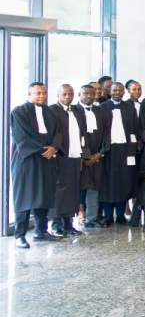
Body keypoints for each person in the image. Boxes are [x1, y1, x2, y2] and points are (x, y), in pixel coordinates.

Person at [9, 83, 61, 247]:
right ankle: (19, 235)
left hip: (47, 159)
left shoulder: (50, 112)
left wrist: (54, 148)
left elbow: (58, 133)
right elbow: (22, 136)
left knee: (44, 195)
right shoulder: (19, 111)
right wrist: (43, 149)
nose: (42, 96)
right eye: (38, 93)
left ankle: (41, 231)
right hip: (27, 160)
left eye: (44, 93)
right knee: (24, 196)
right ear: (29, 93)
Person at [99, 81, 141, 226]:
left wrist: (133, 149)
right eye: (115, 90)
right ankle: (109, 215)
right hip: (108, 150)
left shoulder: (130, 108)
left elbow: (135, 129)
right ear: (110, 92)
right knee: (108, 183)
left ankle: (122, 215)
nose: (118, 92)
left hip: (126, 150)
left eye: (120, 90)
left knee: (125, 182)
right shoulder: (102, 108)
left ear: (124, 92)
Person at [48, 84, 86, 236]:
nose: (67, 97)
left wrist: (84, 155)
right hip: (61, 156)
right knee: (60, 191)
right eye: (64, 94)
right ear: (58, 95)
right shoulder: (52, 110)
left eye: (70, 94)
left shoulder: (76, 110)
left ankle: (69, 224)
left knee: (73, 191)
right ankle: (56, 225)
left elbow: (82, 133)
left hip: (75, 156)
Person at [76, 84, 109, 228]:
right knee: (79, 187)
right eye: (85, 93)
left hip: (97, 157)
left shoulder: (100, 111)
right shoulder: (74, 111)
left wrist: (100, 153)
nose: (89, 96)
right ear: (79, 94)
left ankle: (92, 217)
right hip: (80, 158)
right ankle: (78, 215)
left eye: (91, 93)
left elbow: (107, 134)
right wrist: (86, 156)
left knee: (94, 187)